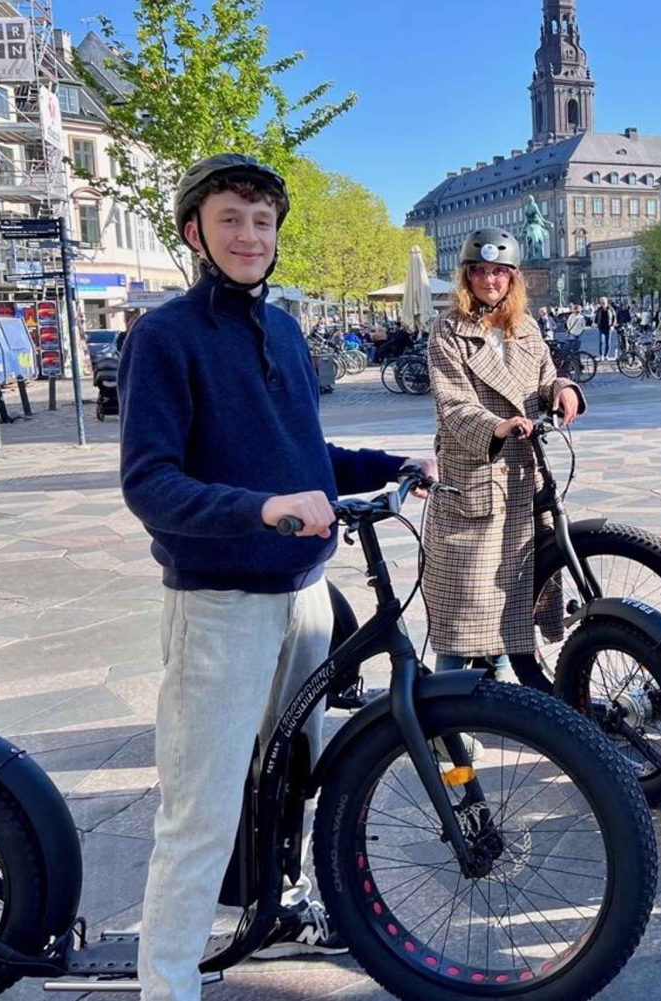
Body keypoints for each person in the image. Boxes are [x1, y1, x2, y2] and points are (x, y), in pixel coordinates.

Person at [120, 154, 434, 1001]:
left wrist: (390, 463)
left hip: (305, 598)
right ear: (195, 232)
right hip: (219, 605)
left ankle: (279, 902)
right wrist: (261, 510)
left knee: (287, 776)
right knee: (201, 806)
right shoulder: (164, 336)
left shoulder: (287, 332)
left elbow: (305, 455)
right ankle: (167, 983)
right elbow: (149, 482)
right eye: (231, 218)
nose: (250, 236)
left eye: (262, 221)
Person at [423, 228, 584, 677]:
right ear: (466, 276)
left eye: (498, 271)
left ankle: (503, 698)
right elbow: (453, 405)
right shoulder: (448, 332)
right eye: (479, 271)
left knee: (515, 610)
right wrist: (497, 425)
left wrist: (563, 388)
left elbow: (545, 375)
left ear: (513, 277)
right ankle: (446, 709)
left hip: (525, 481)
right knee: (465, 616)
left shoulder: (525, 326)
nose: (489, 280)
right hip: (475, 484)